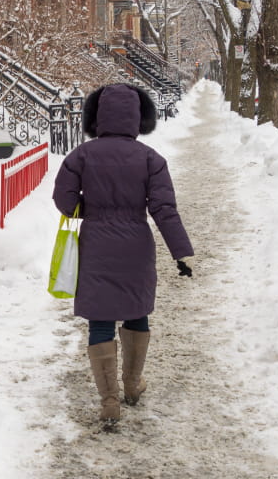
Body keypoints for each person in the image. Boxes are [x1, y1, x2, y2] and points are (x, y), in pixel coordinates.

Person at [52, 84, 194, 425]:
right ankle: (132, 385)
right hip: (136, 245)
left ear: (96, 117)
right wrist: (181, 252)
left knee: (100, 319)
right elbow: (164, 209)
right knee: (136, 312)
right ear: (138, 118)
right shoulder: (150, 159)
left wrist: (91, 210)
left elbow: (64, 200)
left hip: (96, 244)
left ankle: (109, 400)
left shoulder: (82, 155)